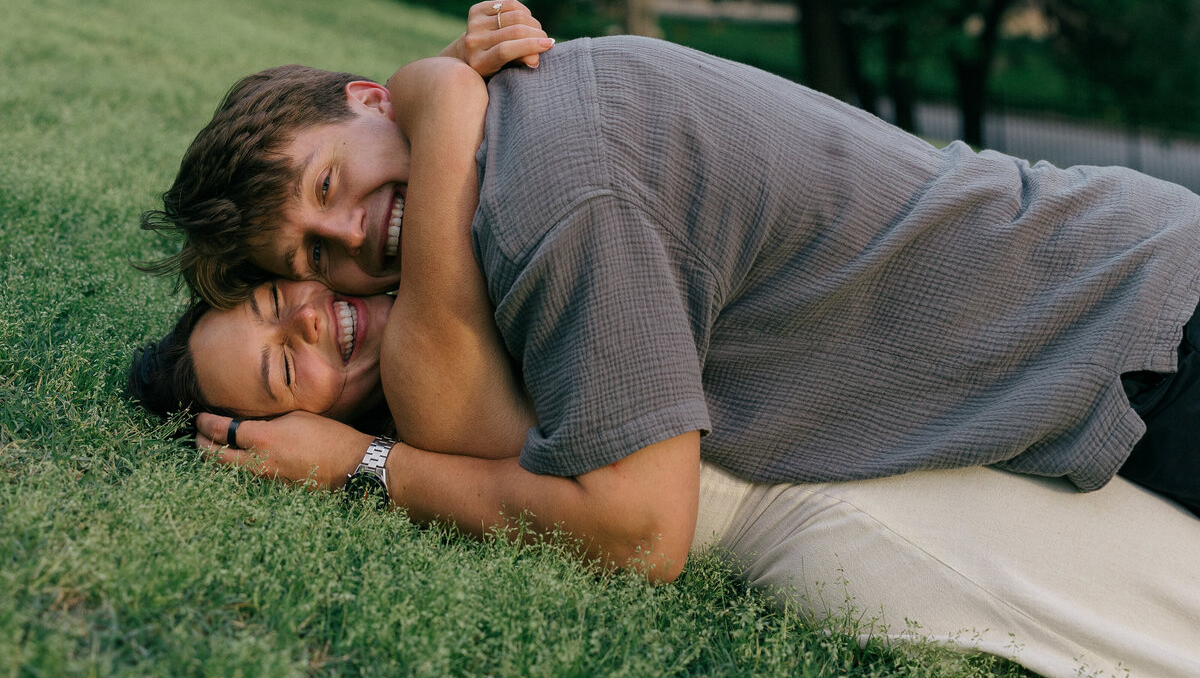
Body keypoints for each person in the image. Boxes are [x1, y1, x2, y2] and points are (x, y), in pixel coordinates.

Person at [131, 93, 1200, 678]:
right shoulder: (491, 160)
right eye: (309, 259)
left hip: (1146, 328)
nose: (351, 237)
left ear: (370, 101)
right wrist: (442, 95)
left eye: (331, 184)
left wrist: (360, 464)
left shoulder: (554, 204)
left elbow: (642, 535)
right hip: (1113, 309)